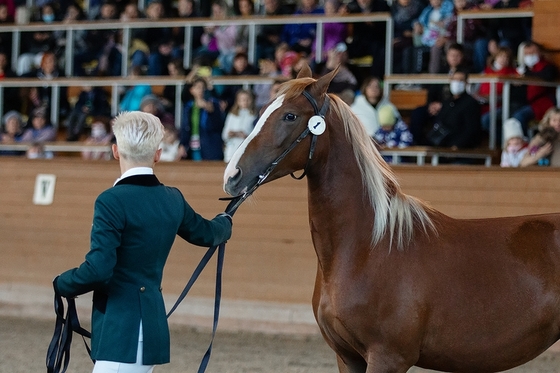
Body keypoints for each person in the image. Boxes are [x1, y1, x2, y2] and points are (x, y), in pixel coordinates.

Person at [53, 111, 233, 373]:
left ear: (116, 151)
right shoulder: (172, 199)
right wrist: (226, 221)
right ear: (157, 154)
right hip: (151, 329)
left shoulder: (111, 200)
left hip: (120, 330)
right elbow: (207, 233)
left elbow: (99, 269)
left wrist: (63, 283)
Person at [409, 42, 466, 144]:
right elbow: (432, 91)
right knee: (417, 113)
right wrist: (431, 104)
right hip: (436, 106)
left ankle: (435, 146)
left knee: (442, 119)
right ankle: (416, 143)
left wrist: (442, 105)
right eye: (452, 55)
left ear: (462, 57)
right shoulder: (441, 72)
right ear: (447, 56)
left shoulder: (465, 73)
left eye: (457, 55)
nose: (454, 58)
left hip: (451, 108)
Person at [425, 69, 482, 149]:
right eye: (454, 79)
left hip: (462, 149)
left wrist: (457, 145)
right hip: (443, 146)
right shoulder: (447, 102)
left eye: (460, 80)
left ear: (466, 83)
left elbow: (471, 130)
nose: (457, 82)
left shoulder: (471, 103)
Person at [511, 41, 558, 134]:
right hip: (523, 102)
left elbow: (549, 75)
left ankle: (522, 145)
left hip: (543, 103)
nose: (529, 56)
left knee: (519, 117)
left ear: (539, 53)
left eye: (532, 53)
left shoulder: (547, 66)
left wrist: (527, 75)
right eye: (527, 54)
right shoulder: (524, 70)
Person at [179, 77, 225, 161]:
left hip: (209, 146)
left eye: (203, 87)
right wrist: (182, 144)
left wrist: (211, 112)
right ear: (192, 90)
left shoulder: (213, 104)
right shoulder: (189, 106)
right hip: (192, 146)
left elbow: (218, 126)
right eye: (198, 87)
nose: (201, 90)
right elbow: (185, 127)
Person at [345, 0, 390, 78]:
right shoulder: (351, 6)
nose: (363, 1)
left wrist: (373, 22)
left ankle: (375, 79)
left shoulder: (382, 5)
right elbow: (343, 22)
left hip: (376, 40)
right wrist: (343, 14)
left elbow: (385, 27)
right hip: (359, 42)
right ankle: (352, 80)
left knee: (380, 51)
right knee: (341, 50)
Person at [411, 0, 454, 74]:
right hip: (428, 36)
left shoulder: (449, 9)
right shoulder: (427, 10)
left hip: (442, 36)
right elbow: (420, 21)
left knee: (436, 47)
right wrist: (417, 25)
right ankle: (414, 75)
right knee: (413, 45)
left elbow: (449, 23)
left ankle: (433, 75)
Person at [222, 89, 256, 163]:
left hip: (246, 150)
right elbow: (224, 134)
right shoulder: (232, 115)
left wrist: (245, 135)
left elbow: (255, 134)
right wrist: (232, 134)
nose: (245, 102)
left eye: (247, 99)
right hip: (232, 150)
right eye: (242, 99)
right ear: (238, 101)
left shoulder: (253, 116)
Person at [390, 0, 424, 74]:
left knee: (408, 49)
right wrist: (399, 35)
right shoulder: (393, 9)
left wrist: (414, 31)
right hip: (398, 36)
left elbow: (421, 22)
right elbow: (392, 27)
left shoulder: (418, 7)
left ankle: (409, 76)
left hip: (414, 37)